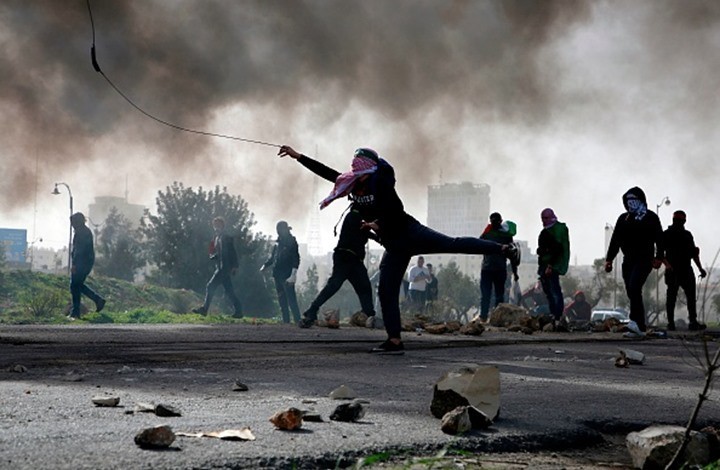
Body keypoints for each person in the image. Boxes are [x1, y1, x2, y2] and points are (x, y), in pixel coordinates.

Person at [278, 145, 519, 354]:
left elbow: (394, 210)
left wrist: (377, 224)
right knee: (386, 291)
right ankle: (394, 340)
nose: (354, 173)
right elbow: (327, 172)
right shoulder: (351, 183)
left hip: (409, 233)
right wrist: (298, 156)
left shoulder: (381, 183)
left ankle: (503, 248)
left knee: (452, 244)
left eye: (359, 168)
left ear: (368, 169)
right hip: (394, 246)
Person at [298, 208, 377, 328]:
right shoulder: (353, 216)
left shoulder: (359, 218)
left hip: (354, 259)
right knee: (334, 285)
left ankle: (369, 314)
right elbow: (362, 230)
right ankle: (312, 310)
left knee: (364, 287)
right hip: (345, 257)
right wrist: (377, 235)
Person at [605, 187, 664, 337]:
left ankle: (635, 322)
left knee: (634, 286)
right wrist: (609, 259)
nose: (631, 203)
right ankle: (639, 326)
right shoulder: (624, 219)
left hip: (644, 259)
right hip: (628, 260)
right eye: (628, 200)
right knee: (632, 291)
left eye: (634, 200)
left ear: (641, 200)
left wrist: (659, 257)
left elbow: (659, 238)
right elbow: (615, 240)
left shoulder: (650, 217)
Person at [663, 210, 707, 331]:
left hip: (678, 270)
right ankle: (690, 322)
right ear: (684, 221)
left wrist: (700, 268)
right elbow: (694, 254)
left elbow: (693, 253)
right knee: (686, 297)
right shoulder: (684, 235)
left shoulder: (669, 234)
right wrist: (700, 268)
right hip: (680, 270)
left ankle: (673, 323)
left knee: (673, 297)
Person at [192, 217, 243, 317]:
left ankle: (204, 309)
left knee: (210, 286)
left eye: (218, 225)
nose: (216, 227)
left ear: (222, 225)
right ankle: (239, 311)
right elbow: (220, 252)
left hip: (224, 268)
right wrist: (214, 256)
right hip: (221, 267)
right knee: (229, 291)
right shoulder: (217, 237)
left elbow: (232, 251)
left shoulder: (226, 237)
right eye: (215, 225)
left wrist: (235, 266)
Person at [479, 212, 519, 321]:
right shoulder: (492, 233)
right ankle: (487, 317)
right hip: (491, 269)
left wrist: (515, 272)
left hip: (495, 269)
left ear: (500, 221)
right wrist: (515, 272)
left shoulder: (500, 235)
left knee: (496, 296)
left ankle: (492, 318)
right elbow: (512, 256)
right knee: (492, 295)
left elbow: (512, 255)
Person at [262, 221, 301, 324]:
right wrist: (265, 265)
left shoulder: (292, 242)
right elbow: (273, 257)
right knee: (282, 300)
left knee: (291, 299)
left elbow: (296, 258)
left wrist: (293, 274)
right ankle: (286, 322)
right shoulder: (278, 243)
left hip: (287, 274)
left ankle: (297, 320)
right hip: (277, 274)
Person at [68, 212, 105, 319]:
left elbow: (79, 251)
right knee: (77, 285)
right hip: (85, 262)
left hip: (82, 262)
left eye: (73, 222)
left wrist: (75, 264)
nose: (72, 225)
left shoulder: (82, 233)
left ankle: (76, 311)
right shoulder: (83, 231)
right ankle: (97, 300)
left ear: (78, 222)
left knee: (75, 285)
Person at [537, 208, 570, 322]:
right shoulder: (545, 232)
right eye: (542, 218)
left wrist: (550, 265)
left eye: (546, 218)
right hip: (544, 265)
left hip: (551, 266)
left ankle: (557, 316)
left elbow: (557, 250)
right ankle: (553, 315)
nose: (544, 220)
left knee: (554, 291)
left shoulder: (554, 232)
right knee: (549, 293)